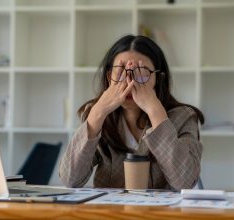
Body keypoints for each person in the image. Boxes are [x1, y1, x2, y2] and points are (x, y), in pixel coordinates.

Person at [59, 35, 204, 191]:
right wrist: (98, 112)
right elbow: (70, 179)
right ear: (109, 77)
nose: (129, 82)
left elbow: (185, 182)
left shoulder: (184, 117)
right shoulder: (98, 116)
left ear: (158, 78)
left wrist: (156, 112)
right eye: (120, 72)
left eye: (141, 72)